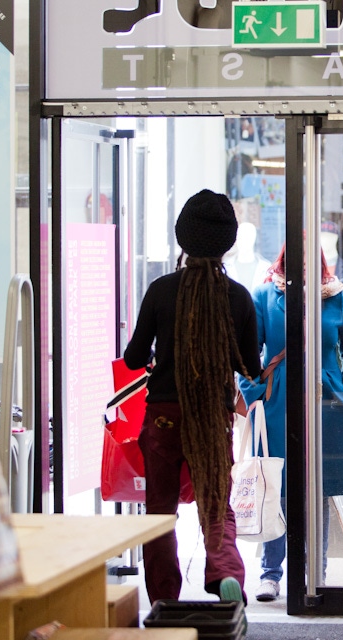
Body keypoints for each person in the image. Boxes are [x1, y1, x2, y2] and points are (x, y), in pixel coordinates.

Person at [123, 189, 261, 606]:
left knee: (160, 512)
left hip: (162, 415)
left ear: (182, 238)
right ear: (228, 243)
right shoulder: (238, 297)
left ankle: (165, 595)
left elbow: (132, 359)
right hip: (211, 418)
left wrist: (158, 353)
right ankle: (224, 575)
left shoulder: (161, 290)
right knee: (216, 503)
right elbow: (250, 367)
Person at [237, 242, 343, 602]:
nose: (302, 264)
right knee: (276, 486)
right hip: (278, 402)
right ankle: (271, 572)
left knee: (319, 488)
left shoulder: (335, 297)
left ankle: (316, 571)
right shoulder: (263, 294)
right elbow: (245, 353)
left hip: (326, 401)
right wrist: (256, 395)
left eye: (309, 258)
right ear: (284, 260)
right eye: (296, 257)